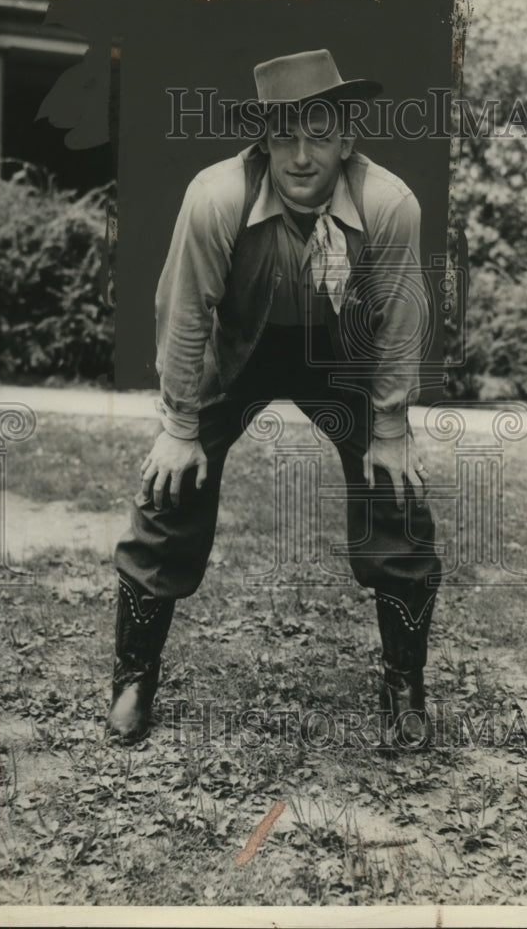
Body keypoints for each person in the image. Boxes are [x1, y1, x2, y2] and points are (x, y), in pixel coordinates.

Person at [108, 49, 442, 750]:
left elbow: (398, 320)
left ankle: (403, 684)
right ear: (262, 139)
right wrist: (179, 423)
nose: (299, 156)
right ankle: (134, 678)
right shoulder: (216, 196)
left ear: (346, 137)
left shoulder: (388, 205)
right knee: (170, 484)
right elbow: (184, 310)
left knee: (397, 493)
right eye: (283, 135)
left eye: (317, 134)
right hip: (240, 348)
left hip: (341, 357)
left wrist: (388, 426)